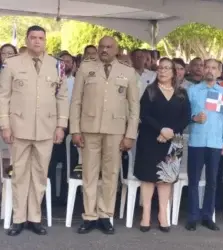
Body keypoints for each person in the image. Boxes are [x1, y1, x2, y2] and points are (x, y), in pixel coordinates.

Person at [0, 25, 69, 236]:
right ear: (27, 40)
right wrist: (5, 125)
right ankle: (19, 218)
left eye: (41, 38)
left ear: (45, 40)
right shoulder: (11, 64)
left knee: (40, 175)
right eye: (33, 38)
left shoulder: (57, 65)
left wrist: (61, 125)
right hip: (19, 127)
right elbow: (4, 96)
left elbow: (62, 96)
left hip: (46, 128)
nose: (37, 41)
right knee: (19, 174)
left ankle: (34, 217)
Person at [70, 36, 139, 235]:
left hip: (116, 130)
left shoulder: (128, 72)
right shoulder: (86, 68)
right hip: (89, 128)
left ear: (116, 50)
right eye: (102, 46)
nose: (104, 50)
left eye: (109, 47)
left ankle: (105, 215)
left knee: (111, 174)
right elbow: (76, 101)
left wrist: (130, 134)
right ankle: (89, 216)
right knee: (89, 174)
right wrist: (75, 129)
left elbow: (134, 107)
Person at [134, 58, 190, 233]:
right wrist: (161, 129)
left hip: (173, 141)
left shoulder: (181, 93)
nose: (163, 71)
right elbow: (144, 114)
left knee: (166, 179)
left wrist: (171, 132)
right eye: (161, 68)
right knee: (148, 177)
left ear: (174, 72)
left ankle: (163, 215)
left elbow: (185, 117)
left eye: (167, 68)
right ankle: (146, 214)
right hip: (151, 139)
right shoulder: (150, 91)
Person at [186, 59, 223, 231]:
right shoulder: (193, 91)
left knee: (212, 182)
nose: (210, 70)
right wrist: (193, 118)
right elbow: (185, 114)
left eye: (214, 68)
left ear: (219, 72)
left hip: (215, 144)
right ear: (203, 69)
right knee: (194, 181)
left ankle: (207, 216)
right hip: (196, 142)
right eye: (207, 67)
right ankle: (192, 216)